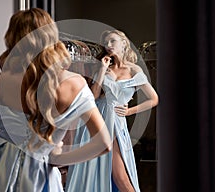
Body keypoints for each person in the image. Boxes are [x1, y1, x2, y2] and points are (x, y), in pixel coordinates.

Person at [0, 8, 112, 192]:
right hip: (37, 171)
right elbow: (104, 143)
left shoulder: (2, 79)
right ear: (51, 35)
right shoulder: (73, 84)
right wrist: (56, 158)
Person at [65, 30, 159, 192]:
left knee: (121, 176)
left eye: (112, 41)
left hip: (115, 123)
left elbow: (154, 99)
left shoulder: (134, 70)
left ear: (124, 43)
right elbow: (93, 96)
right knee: (98, 174)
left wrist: (130, 111)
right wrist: (102, 70)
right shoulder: (102, 67)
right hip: (96, 121)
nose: (108, 45)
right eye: (106, 42)